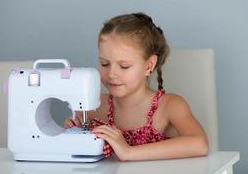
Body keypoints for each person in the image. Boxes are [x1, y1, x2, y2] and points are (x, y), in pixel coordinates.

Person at [64, 12, 208, 161]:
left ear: (148, 65)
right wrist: (75, 127)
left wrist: (128, 152)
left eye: (124, 66)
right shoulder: (95, 107)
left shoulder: (169, 106)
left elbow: (200, 144)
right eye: (104, 64)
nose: (112, 73)